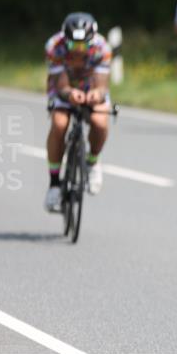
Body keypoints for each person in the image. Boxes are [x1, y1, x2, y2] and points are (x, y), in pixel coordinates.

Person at [43, 12, 112, 212]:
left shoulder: (102, 48)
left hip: (91, 88)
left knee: (100, 122)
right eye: (73, 45)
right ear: (66, 40)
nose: (79, 51)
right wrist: (69, 93)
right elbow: (61, 84)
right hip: (64, 88)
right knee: (59, 124)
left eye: (84, 45)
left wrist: (95, 95)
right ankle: (54, 183)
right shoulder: (54, 47)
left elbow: (101, 86)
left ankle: (93, 162)